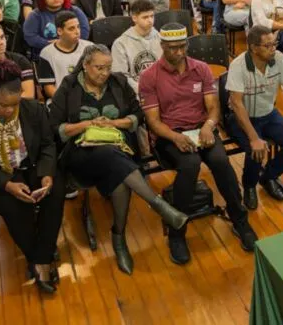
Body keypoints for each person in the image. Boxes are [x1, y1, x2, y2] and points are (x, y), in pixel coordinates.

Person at [50, 44, 187, 274]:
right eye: (99, 68)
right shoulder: (69, 87)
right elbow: (55, 128)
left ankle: (119, 236)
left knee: (119, 173)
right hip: (80, 155)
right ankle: (155, 206)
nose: (104, 73)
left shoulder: (118, 83)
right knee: (112, 157)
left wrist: (114, 123)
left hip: (118, 148)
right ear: (85, 65)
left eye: (108, 67)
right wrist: (86, 125)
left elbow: (138, 115)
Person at [140, 23, 257, 265]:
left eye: (182, 47)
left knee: (221, 161)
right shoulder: (150, 76)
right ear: (162, 46)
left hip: (201, 129)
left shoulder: (201, 69)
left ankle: (239, 220)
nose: (178, 52)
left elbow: (213, 107)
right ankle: (177, 230)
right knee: (190, 164)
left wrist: (209, 125)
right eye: (172, 48)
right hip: (169, 135)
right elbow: (153, 121)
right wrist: (175, 137)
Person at [0, 60, 65, 293]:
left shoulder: (33, 110)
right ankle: (40, 257)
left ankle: (41, 256)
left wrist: (46, 174)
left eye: (14, 104)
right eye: (2, 105)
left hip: (33, 166)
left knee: (54, 193)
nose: (9, 111)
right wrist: (7, 185)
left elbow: (48, 145)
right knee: (15, 207)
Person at [226, 25, 283, 209]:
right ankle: (249, 186)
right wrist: (254, 138)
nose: (273, 48)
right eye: (267, 45)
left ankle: (268, 177)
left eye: (274, 44)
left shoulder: (278, 58)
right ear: (253, 47)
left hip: (269, 114)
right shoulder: (237, 65)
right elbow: (237, 104)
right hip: (241, 118)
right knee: (256, 150)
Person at [24, 0, 90, 58]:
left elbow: (85, 31)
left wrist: (66, 43)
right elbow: (30, 37)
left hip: (75, 52)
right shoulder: (35, 15)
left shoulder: (75, 11)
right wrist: (52, 44)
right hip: (46, 55)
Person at [37, 11, 93, 98]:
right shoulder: (47, 53)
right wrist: (66, 102)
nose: (77, 31)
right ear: (59, 31)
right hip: (60, 100)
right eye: (71, 29)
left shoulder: (90, 48)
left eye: (78, 27)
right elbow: (49, 88)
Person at [111, 0, 161, 93]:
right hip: (136, 93)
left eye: (152, 16)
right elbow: (120, 76)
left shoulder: (161, 39)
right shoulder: (120, 43)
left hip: (161, 89)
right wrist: (143, 89)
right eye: (145, 17)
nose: (150, 20)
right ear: (134, 18)